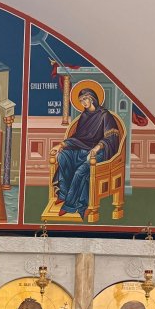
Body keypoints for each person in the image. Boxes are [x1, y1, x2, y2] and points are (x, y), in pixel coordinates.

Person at [52, 86, 122, 219]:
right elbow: (78, 138)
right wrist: (62, 145)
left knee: (80, 172)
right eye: (81, 100)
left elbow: (111, 137)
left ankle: (70, 205)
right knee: (63, 156)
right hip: (83, 149)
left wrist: (97, 148)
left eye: (85, 99)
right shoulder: (84, 116)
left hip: (101, 152)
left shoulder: (104, 115)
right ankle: (64, 194)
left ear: (92, 98)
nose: (83, 102)